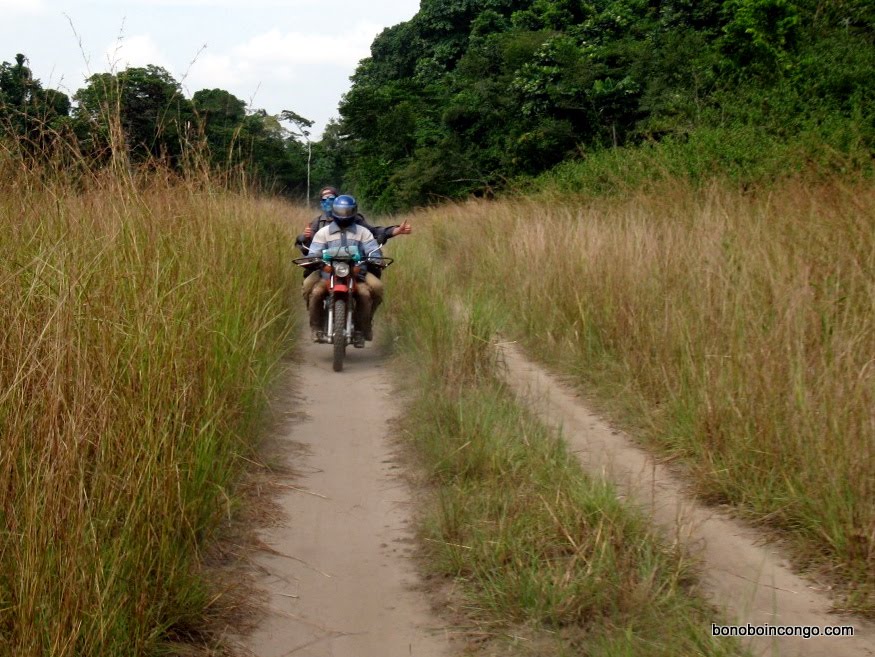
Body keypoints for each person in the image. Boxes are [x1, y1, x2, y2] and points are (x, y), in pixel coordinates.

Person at [298, 186, 411, 317]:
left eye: (331, 198)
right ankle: (315, 323)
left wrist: (376, 257)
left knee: (375, 289)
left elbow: (373, 239)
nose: (343, 214)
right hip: (326, 271)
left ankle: (366, 323)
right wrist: (315, 257)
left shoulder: (361, 228)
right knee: (311, 290)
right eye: (325, 199)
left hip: (358, 272)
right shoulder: (318, 226)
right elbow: (312, 250)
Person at [306, 195, 383, 343]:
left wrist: (369, 262)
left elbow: (373, 252)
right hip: (327, 275)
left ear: (354, 211)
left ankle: (363, 328)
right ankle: (316, 328)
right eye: (341, 211)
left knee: (369, 292)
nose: (344, 215)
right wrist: (323, 265)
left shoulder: (363, 232)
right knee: (314, 292)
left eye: (348, 211)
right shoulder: (323, 232)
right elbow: (314, 253)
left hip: (357, 275)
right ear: (334, 211)